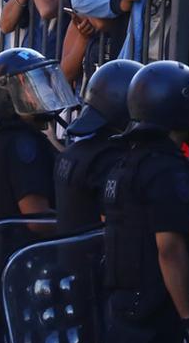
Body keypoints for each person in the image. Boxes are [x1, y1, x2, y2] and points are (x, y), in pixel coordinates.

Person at [101, 60, 189, 343]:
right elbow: (169, 249)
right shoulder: (166, 170)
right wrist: (188, 318)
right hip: (155, 313)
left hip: (123, 307)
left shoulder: (125, 163)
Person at [0, 48, 76, 222]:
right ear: (6, 94)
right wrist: (81, 224)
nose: (46, 92)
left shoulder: (4, 136)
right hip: (25, 245)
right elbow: (36, 218)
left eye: (44, 84)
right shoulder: (23, 143)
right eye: (33, 86)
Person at [56, 58, 139, 235]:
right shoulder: (111, 160)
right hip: (97, 259)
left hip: (68, 259)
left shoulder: (71, 153)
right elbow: (112, 226)